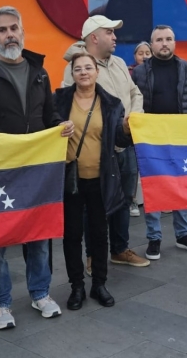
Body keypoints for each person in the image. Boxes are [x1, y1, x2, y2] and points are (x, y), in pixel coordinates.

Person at [0, 6, 74, 328]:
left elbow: (49, 116)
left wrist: (60, 125)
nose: (9, 34)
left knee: (38, 234)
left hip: (35, 170)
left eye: (13, 28)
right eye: (2, 30)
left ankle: (40, 293)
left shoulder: (40, 73)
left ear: (22, 32)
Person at [62, 16, 150, 272]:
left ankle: (120, 249)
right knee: (93, 206)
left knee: (124, 199)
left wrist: (133, 118)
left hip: (126, 143)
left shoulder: (120, 62)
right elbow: (69, 106)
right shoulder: (76, 67)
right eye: (109, 32)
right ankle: (93, 254)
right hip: (97, 150)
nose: (115, 37)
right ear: (94, 37)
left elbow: (135, 93)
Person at [55, 53, 133, 310]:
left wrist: (126, 130)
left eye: (88, 67)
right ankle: (76, 286)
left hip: (102, 180)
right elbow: (48, 126)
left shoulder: (112, 103)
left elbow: (119, 141)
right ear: (72, 74)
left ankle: (99, 284)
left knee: (100, 234)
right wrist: (58, 126)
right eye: (78, 69)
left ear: (97, 72)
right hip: (70, 181)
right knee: (72, 235)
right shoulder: (59, 99)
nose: (84, 72)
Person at [132, 25, 187, 260]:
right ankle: (154, 238)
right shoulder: (139, 73)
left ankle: (183, 234)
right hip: (151, 140)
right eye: (159, 40)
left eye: (168, 39)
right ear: (152, 44)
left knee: (182, 186)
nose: (164, 43)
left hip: (181, 139)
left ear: (174, 42)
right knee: (154, 188)